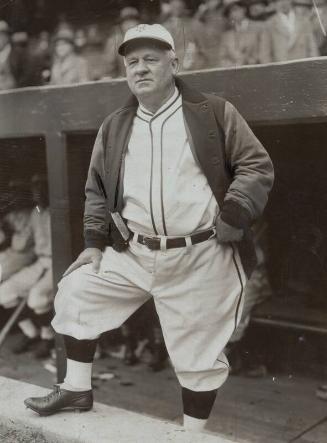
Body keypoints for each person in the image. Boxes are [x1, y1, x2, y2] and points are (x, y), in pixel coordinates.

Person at [24, 24, 274, 432]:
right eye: (132, 61)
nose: (140, 69)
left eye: (151, 60)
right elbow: (97, 189)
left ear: (174, 63)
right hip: (134, 251)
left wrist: (235, 213)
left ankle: (192, 435)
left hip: (200, 254)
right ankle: (76, 389)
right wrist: (92, 243)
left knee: (198, 356)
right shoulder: (116, 125)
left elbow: (256, 165)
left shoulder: (213, 111)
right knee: (77, 292)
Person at [0, 175, 54, 359]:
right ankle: (32, 333)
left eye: (41, 188)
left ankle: (48, 338)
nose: (37, 193)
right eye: (34, 189)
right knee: (4, 292)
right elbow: (23, 243)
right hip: (41, 262)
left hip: (59, 263)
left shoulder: (60, 211)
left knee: (37, 297)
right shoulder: (36, 212)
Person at [162, 0, 209, 71]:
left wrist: (196, 67)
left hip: (193, 71)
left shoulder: (195, 25)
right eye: (172, 1)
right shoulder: (163, 28)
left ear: (185, 4)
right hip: (171, 72)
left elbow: (205, 53)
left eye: (180, 1)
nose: (176, 4)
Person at [219, 0, 264, 67]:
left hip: (255, 71)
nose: (233, 14)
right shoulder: (227, 35)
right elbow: (222, 58)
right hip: (234, 74)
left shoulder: (259, 28)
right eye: (229, 12)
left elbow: (264, 54)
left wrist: (246, 61)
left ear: (244, 9)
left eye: (235, 9)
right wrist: (231, 65)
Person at [103, 6, 141, 79]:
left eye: (133, 21)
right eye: (126, 22)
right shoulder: (115, 42)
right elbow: (109, 70)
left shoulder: (146, 39)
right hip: (123, 82)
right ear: (121, 25)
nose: (130, 25)